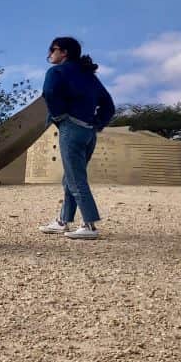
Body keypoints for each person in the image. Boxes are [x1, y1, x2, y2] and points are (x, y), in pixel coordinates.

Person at [38, 36, 115, 240]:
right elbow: (109, 105)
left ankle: (89, 225)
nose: (49, 54)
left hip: (70, 130)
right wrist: (97, 124)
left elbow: (49, 92)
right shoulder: (90, 76)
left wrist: (59, 116)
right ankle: (63, 221)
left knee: (76, 178)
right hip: (89, 132)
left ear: (64, 52)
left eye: (53, 49)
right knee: (70, 177)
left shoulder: (56, 71)